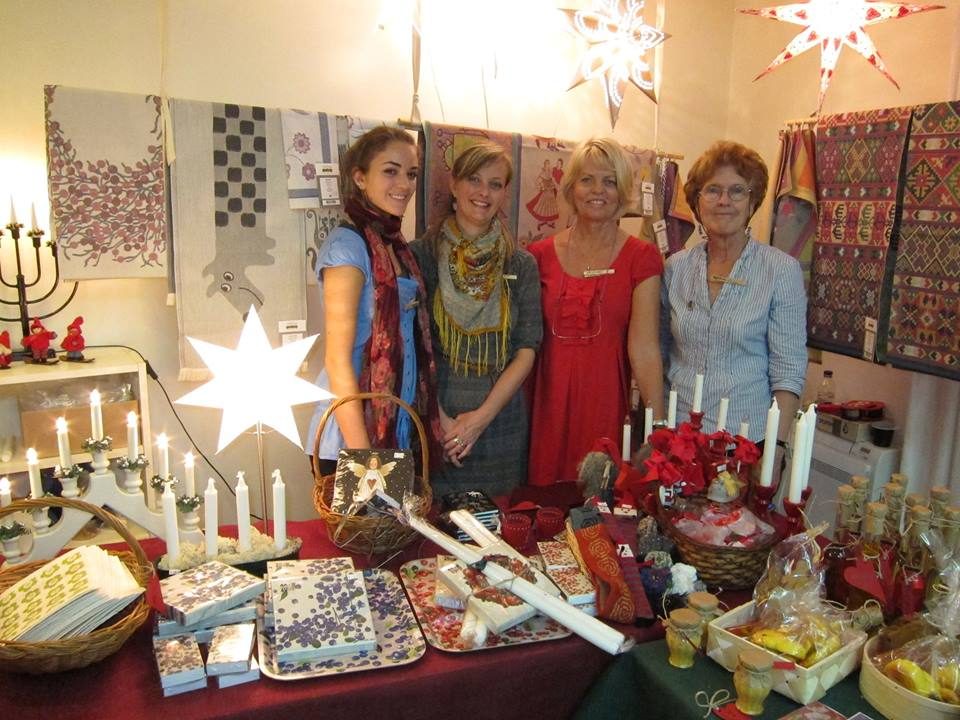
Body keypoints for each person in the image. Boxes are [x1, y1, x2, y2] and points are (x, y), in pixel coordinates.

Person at [527, 138, 665, 486]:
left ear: (623, 191)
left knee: (600, 502)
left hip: (605, 409)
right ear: (571, 188)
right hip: (544, 409)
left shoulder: (642, 257)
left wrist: (658, 427)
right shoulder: (537, 255)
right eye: (587, 179)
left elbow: (645, 349)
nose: (597, 190)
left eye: (609, 181)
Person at [306, 126, 441, 476]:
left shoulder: (395, 245)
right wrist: (366, 460)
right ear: (360, 178)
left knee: (404, 516)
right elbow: (337, 361)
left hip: (395, 431)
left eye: (411, 174)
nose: (404, 184)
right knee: (366, 517)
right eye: (390, 171)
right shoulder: (347, 247)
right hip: (353, 439)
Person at [411, 142, 542, 496]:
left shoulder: (521, 264)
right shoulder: (420, 255)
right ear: (453, 185)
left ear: (504, 194)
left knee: (500, 521)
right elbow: (414, 347)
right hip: (436, 417)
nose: (484, 192)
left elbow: (526, 350)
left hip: (500, 423)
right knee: (434, 519)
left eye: (495, 184)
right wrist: (442, 423)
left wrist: (479, 421)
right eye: (474, 179)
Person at [661, 140, 806, 447]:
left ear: (752, 203)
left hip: (746, 441)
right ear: (697, 201)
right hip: (679, 437)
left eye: (737, 191)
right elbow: (659, 353)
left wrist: (776, 449)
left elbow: (788, 372)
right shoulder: (675, 268)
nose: (724, 201)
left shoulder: (780, 271)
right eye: (713, 190)